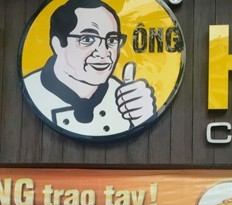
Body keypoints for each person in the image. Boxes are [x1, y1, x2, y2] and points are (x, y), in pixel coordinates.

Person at [23, 0, 156, 138]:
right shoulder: (34, 90)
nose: (104, 53)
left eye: (112, 40)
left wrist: (143, 118)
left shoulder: (127, 98)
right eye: (87, 39)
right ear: (57, 45)